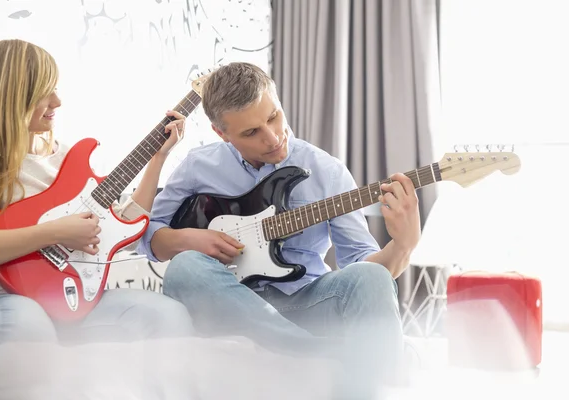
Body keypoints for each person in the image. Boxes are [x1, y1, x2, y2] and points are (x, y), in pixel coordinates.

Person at [136, 62, 422, 398]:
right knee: (185, 267)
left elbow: (361, 268)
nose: (272, 138)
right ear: (221, 133)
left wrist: (403, 245)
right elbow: (148, 236)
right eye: (251, 132)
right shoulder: (199, 166)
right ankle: (315, 352)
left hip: (306, 299)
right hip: (228, 297)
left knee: (373, 278)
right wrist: (189, 238)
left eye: (273, 116)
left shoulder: (326, 170)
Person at [0, 39, 194, 349]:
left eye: (56, 89)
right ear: (15, 95)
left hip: (75, 299)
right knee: (28, 329)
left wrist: (157, 159)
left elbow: (126, 228)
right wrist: (54, 232)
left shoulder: (67, 158)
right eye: (46, 91)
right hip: (1, 297)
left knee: (168, 316)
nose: (57, 102)